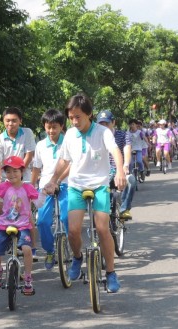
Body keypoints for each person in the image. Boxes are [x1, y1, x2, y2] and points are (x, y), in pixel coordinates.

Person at [44, 94, 127, 293]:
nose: (74, 121)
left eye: (78, 117)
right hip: (76, 186)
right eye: (71, 117)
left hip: (99, 185)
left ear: (89, 114)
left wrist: (121, 171)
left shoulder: (102, 132)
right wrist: (53, 180)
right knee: (72, 229)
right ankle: (78, 258)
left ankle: (111, 273)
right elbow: (64, 160)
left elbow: (115, 151)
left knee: (102, 228)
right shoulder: (70, 135)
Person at [0, 156, 47, 295]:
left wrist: (45, 193)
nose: (12, 174)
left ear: (22, 171)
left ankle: (28, 278)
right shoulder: (3, 186)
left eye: (15, 171)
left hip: (23, 225)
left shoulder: (28, 188)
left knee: (27, 250)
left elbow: (39, 203)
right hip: (5, 225)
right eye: (8, 171)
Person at [0, 106, 39, 253]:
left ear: (20, 121)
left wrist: (19, 172)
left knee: (26, 213)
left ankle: (32, 246)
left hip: (23, 177)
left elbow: (29, 155)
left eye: (14, 121)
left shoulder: (27, 133)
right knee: (0, 211)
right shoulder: (0, 139)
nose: (10, 124)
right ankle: (7, 241)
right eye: (7, 121)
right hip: (6, 179)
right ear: (3, 121)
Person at [31, 109, 69, 270]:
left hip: (66, 184)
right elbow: (36, 168)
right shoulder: (40, 145)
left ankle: (69, 247)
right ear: (44, 127)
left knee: (67, 217)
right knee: (42, 222)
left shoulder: (68, 142)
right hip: (45, 187)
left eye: (55, 127)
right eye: (48, 127)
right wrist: (31, 186)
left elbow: (72, 165)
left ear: (61, 127)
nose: (51, 131)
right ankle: (50, 251)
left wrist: (58, 181)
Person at [97, 111, 134, 221]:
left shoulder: (123, 135)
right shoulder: (95, 137)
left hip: (119, 170)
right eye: (101, 124)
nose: (104, 127)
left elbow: (127, 149)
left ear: (113, 122)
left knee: (131, 181)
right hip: (102, 173)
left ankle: (123, 209)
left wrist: (125, 165)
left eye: (106, 124)